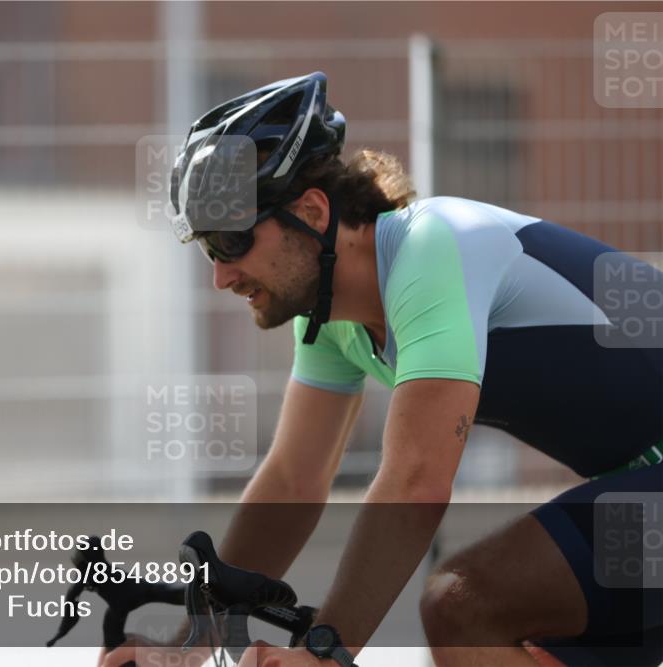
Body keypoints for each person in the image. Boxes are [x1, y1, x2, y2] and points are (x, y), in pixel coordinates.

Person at [101, 72, 663, 667]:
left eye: (232, 241)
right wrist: (195, 646)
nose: (220, 275)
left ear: (312, 212)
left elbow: (417, 479)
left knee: (464, 608)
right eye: (209, 250)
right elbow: (294, 479)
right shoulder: (329, 320)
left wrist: (325, 651)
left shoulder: (433, 247)